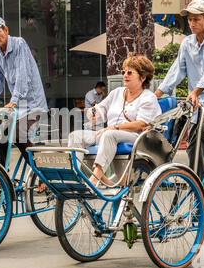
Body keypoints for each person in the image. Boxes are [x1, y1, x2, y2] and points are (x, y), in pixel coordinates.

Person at [154, 0, 204, 180]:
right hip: (198, 104)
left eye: (196, 19)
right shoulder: (187, 43)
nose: (192, 23)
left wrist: (197, 91)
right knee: (192, 145)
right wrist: (157, 94)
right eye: (190, 19)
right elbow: (177, 70)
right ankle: (197, 186)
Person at [69, 54, 161, 187]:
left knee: (109, 134)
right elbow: (101, 108)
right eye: (124, 72)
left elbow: (141, 124)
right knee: (75, 136)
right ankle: (75, 177)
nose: (125, 75)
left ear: (143, 77)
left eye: (130, 72)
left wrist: (114, 127)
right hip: (109, 134)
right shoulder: (117, 92)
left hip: (135, 137)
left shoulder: (148, 98)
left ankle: (94, 180)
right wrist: (93, 112)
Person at [0, 16, 48, 167]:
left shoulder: (19, 43)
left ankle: (40, 169)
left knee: (18, 134)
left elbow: (22, 75)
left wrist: (14, 100)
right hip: (18, 108)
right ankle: (0, 176)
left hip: (34, 106)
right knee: (2, 133)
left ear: (6, 30)